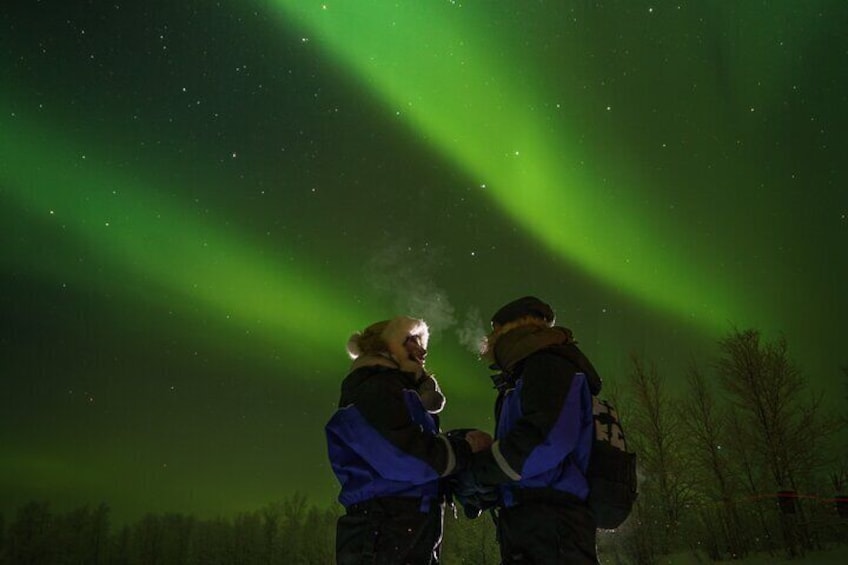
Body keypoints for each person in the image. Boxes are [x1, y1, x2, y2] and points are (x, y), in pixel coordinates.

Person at [326, 315, 491, 565]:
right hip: (383, 529)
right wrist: (462, 449)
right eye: (411, 342)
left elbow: (410, 450)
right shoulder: (374, 389)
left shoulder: (397, 392)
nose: (422, 350)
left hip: (404, 526)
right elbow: (403, 457)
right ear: (386, 346)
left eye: (421, 342)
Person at [469, 296, 603, 565]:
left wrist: (484, 470)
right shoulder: (525, 375)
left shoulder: (548, 364)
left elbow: (548, 439)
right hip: (537, 521)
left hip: (551, 522)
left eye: (495, 331)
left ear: (510, 330)